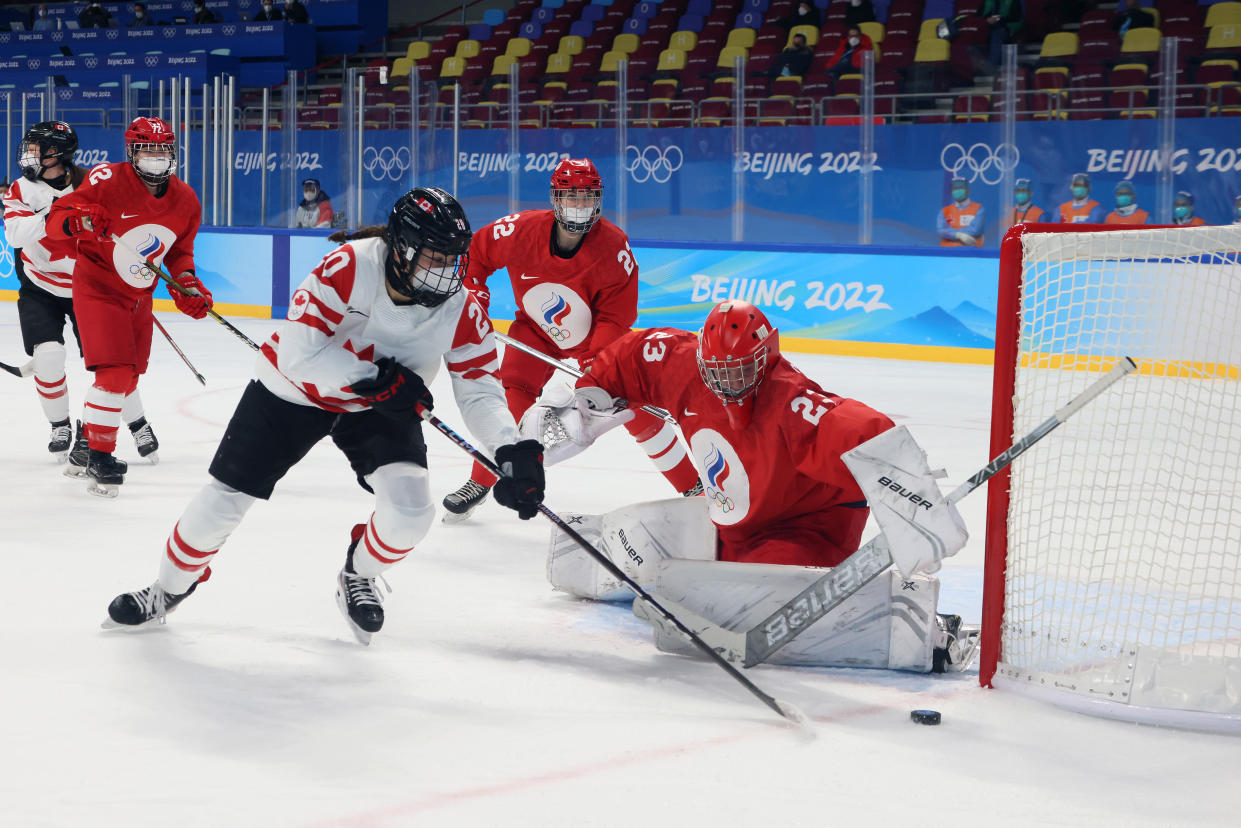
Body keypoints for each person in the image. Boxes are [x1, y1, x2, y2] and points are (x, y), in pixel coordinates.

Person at [102, 187, 546, 643]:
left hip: (381, 404)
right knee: (222, 502)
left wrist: (509, 449)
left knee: (412, 512)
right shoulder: (350, 267)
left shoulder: (461, 308)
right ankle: (167, 590)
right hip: (293, 392)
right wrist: (377, 378)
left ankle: (358, 574)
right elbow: (299, 352)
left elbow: (480, 390)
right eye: (433, 257)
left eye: (453, 260)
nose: (445, 274)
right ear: (400, 248)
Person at [530, 301, 977, 673]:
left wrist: (920, 510)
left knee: (746, 608)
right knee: (625, 540)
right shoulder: (681, 364)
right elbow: (623, 357)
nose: (726, 382)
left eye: (740, 370)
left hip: (799, 532)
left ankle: (926, 628)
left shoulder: (791, 402)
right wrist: (570, 413)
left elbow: (866, 432)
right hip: (728, 522)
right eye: (716, 369)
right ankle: (585, 545)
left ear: (767, 358)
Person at [440, 158, 701, 521]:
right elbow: (474, 257)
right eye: (570, 198)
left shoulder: (614, 246)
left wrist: (598, 362)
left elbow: (616, 316)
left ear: (598, 200)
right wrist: (476, 300)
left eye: (587, 198)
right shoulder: (519, 230)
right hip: (534, 334)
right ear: (555, 199)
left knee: (632, 406)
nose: (579, 207)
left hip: (594, 340)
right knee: (508, 401)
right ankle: (482, 481)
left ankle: (693, 488)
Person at [46, 117, 209, 497]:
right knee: (115, 374)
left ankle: (87, 440)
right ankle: (101, 458)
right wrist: (80, 220)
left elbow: (180, 252)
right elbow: (56, 223)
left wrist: (186, 284)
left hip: (139, 296)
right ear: (132, 151)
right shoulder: (106, 180)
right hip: (98, 287)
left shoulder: (185, 199)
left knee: (129, 379)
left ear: (172, 151)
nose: (155, 156)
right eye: (147, 148)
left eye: (162, 148)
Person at [4, 121, 163, 468]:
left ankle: (137, 423)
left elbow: (119, 227)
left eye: (37, 149)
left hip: (90, 287)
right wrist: (61, 213)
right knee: (48, 357)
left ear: (58, 154)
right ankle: (60, 426)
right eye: (29, 148)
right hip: (40, 287)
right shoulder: (22, 189)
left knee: (113, 362)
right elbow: (15, 233)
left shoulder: (92, 183)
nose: (28, 155)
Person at [938, 178, 985, 246]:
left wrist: (951, 233)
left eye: (960, 188)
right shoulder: (945, 211)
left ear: (968, 191)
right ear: (951, 192)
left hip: (971, 250)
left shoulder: (978, 209)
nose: (958, 191)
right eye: (955, 189)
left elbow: (976, 229)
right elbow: (942, 230)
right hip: (948, 251)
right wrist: (958, 235)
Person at [979, 0, 1022, 70]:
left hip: (1006, 28)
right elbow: (979, 16)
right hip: (987, 27)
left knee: (997, 32)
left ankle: (992, 66)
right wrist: (987, 20)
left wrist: (999, 19)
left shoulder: (1013, 1)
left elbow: (1015, 19)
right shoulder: (987, 2)